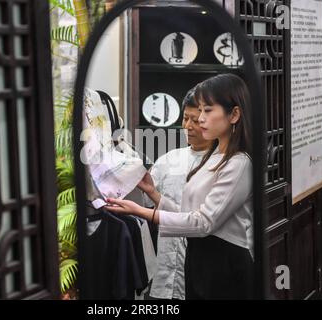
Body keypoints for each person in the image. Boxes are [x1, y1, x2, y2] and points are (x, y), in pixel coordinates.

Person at [105, 74, 254, 299]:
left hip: (222, 265)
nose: (198, 121)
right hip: (200, 262)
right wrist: (153, 193)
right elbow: (189, 215)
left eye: (207, 111)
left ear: (234, 115)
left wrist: (140, 211)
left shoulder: (239, 163)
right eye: (195, 114)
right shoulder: (213, 158)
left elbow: (203, 223)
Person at [143, 88, 214, 300]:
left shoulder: (224, 164)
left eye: (196, 120)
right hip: (165, 272)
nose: (188, 126)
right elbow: (148, 202)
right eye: (185, 119)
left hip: (205, 274)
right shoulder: (168, 160)